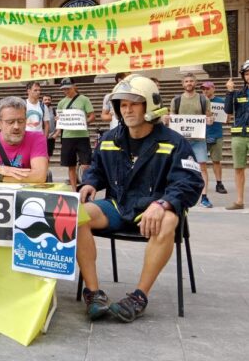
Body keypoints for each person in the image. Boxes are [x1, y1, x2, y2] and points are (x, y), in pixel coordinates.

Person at [77, 74, 203, 323]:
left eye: (134, 103)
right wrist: (90, 182)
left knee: (168, 220)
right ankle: (93, 294)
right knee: (76, 215)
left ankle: (139, 296)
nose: (127, 109)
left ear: (150, 105)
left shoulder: (175, 142)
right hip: (117, 206)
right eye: (123, 104)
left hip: (152, 210)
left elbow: (190, 183)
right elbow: (97, 169)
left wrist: (163, 204)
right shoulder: (109, 139)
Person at [169, 72, 213, 208]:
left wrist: (209, 120)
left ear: (195, 83)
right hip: (181, 140)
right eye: (186, 81)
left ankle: (204, 197)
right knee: (177, 167)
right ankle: (177, 195)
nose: (189, 83)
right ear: (183, 84)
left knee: (203, 167)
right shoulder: (176, 100)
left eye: (191, 81)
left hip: (198, 139)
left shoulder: (203, 99)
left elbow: (210, 117)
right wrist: (167, 119)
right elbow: (172, 117)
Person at [224, 60, 249, 210]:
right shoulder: (238, 93)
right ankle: (239, 201)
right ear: (243, 76)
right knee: (238, 168)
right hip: (238, 136)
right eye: (247, 74)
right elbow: (228, 110)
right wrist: (229, 92)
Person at [53, 78, 95, 187]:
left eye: (68, 88)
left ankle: (86, 185)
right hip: (67, 136)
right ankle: (74, 190)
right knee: (70, 165)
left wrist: (83, 121)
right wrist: (57, 131)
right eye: (64, 89)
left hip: (82, 136)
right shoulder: (61, 103)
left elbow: (92, 116)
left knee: (86, 164)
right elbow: (60, 122)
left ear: (74, 86)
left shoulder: (84, 99)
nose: (66, 91)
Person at [200, 81, 228, 195]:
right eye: (203, 89)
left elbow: (227, 119)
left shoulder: (221, 102)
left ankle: (219, 183)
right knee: (201, 162)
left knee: (216, 161)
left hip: (216, 134)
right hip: (201, 135)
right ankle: (201, 184)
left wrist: (226, 116)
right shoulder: (199, 101)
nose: (205, 91)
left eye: (207, 88)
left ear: (213, 89)